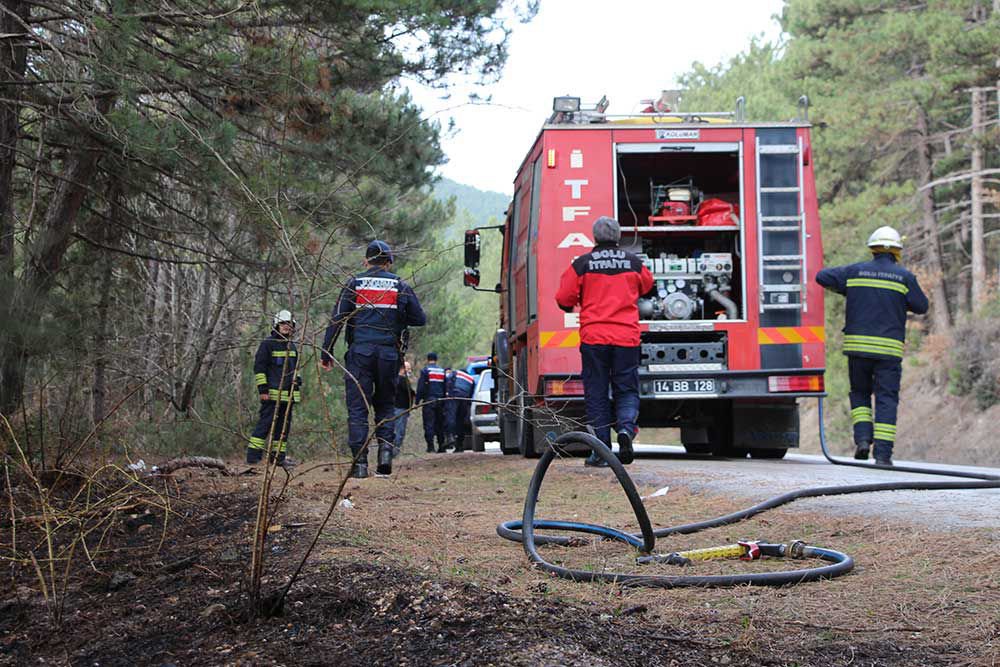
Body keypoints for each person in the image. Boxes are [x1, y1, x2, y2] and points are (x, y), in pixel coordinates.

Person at [816, 226, 928, 467]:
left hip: (858, 350)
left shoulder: (854, 272)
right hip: (888, 353)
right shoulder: (905, 277)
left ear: (873, 249)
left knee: (860, 393)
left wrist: (846, 289)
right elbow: (922, 306)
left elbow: (822, 277)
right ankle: (883, 455)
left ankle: (863, 440)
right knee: (886, 399)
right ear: (897, 251)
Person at [322, 240, 426, 479]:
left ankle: (360, 464)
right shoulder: (400, 285)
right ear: (389, 262)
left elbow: (337, 319)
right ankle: (385, 457)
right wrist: (399, 315)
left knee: (358, 408)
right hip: (389, 355)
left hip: (360, 354)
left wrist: (326, 352)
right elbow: (419, 319)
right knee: (386, 405)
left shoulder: (354, 284)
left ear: (366, 261)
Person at [555, 216, 654, 467]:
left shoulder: (582, 264)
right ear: (618, 236)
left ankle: (601, 451)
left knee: (597, 393)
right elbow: (648, 286)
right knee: (627, 389)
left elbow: (564, 299)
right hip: (626, 338)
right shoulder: (633, 263)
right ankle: (626, 429)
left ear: (595, 236)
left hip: (595, 338)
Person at [248, 310, 302, 466]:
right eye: (283, 323)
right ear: (276, 325)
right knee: (264, 426)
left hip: (288, 397)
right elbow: (259, 369)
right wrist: (263, 390)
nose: (286, 326)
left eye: (289, 324)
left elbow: (294, 369)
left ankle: (278, 458)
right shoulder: (267, 344)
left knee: (282, 429)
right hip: (271, 396)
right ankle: (253, 457)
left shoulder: (292, 346)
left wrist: (297, 381)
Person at [415, 352, 447, 453]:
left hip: (429, 401)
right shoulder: (442, 371)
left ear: (427, 359)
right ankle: (441, 446)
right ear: (436, 360)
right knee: (440, 423)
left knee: (429, 424)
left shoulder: (425, 370)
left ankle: (431, 446)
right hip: (441, 401)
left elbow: (421, 387)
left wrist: (417, 401)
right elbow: (445, 387)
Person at [444, 366, 476, 453]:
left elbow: (448, 381)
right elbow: (471, 394)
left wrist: (447, 393)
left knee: (451, 417)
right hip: (464, 399)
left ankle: (450, 436)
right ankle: (460, 445)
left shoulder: (456, 373)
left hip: (454, 396)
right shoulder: (471, 379)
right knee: (460, 421)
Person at [392, 360, 415, 457]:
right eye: (408, 369)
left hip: (401, 409)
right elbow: (410, 393)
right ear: (402, 369)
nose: (410, 371)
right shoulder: (401, 380)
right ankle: (393, 454)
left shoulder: (396, 379)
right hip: (400, 409)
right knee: (399, 432)